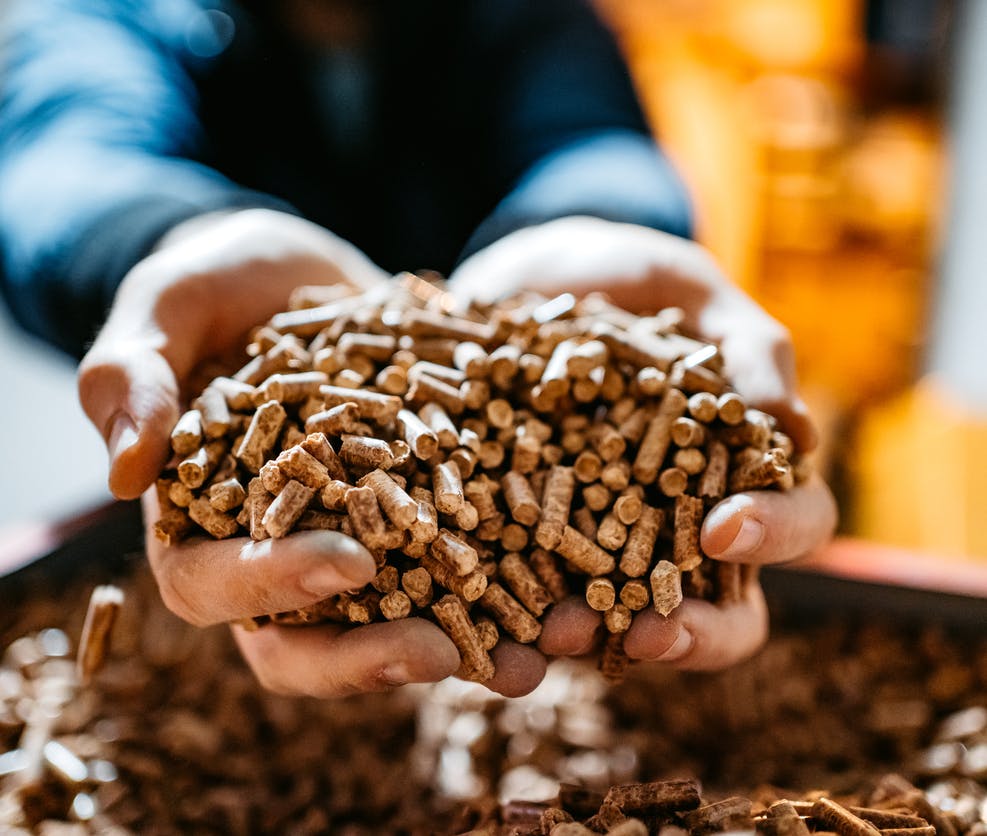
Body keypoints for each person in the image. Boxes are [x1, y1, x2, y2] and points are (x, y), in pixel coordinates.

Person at [0, 0, 836, 698]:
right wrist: (163, 240)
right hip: (221, 606)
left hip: (540, 610)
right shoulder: (107, 15)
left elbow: (592, 141)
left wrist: (598, 228)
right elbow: (62, 167)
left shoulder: (533, 18)